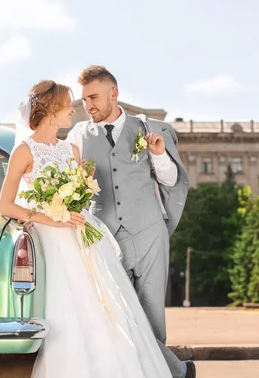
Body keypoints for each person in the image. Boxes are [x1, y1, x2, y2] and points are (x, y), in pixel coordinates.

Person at [0, 79, 177, 377]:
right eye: (67, 104)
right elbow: (6, 206)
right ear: (52, 110)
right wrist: (52, 218)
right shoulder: (24, 151)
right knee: (69, 312)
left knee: (107, 310)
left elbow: (79, 200)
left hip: (84, 239)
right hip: (52, 242)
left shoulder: (71, 150)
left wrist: (81, 186)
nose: (73, 109)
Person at [66, 65, 194, 378]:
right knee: (116, 311)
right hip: (104, 237)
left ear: (114, 93)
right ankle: (177, 372)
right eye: (84, 100)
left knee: (151, 314)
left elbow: (171, 179)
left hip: (149, 232)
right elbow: (70, 184)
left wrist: (160, 156)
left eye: (94, 97)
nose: (89, 105)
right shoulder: (79, 135)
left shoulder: (150, 129)